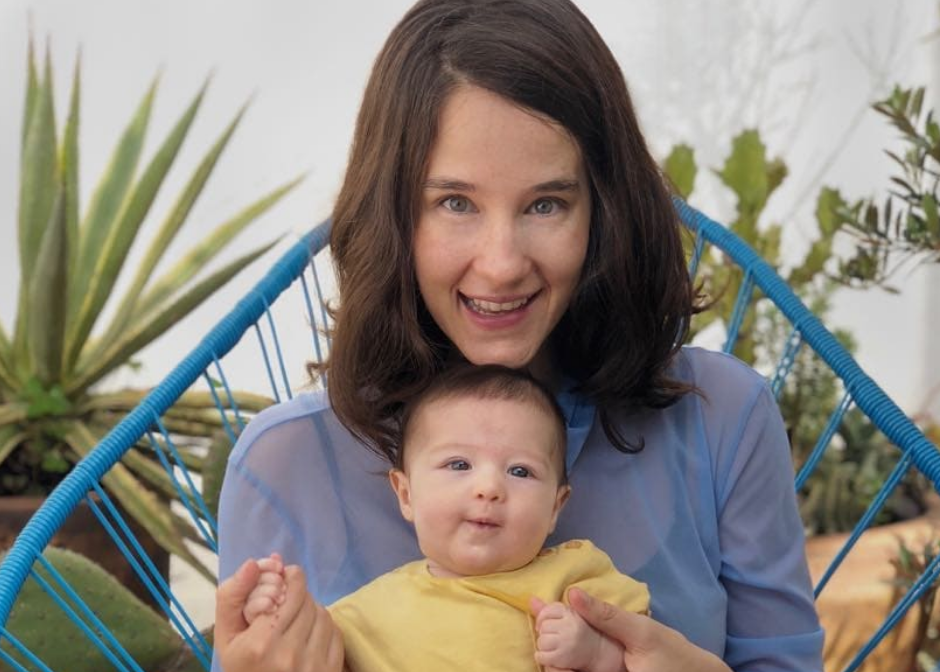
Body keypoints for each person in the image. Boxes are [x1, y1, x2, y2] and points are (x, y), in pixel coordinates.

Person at [213, 1, 824, 671]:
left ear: (605, 210)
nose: (502, 264)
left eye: (546, 204)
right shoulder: (285, 463)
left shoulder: (723, 420)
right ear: (392, 213)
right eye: (454, 203)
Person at [241, 364, 651, 672]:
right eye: (458, 464)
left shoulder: (574, 576)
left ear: (555, 508)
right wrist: (275, 610)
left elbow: (644, 649)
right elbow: (309, 653)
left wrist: (597, 653)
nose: (488, 487)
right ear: (406, 494)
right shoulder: (369, 612)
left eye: (520, 471)